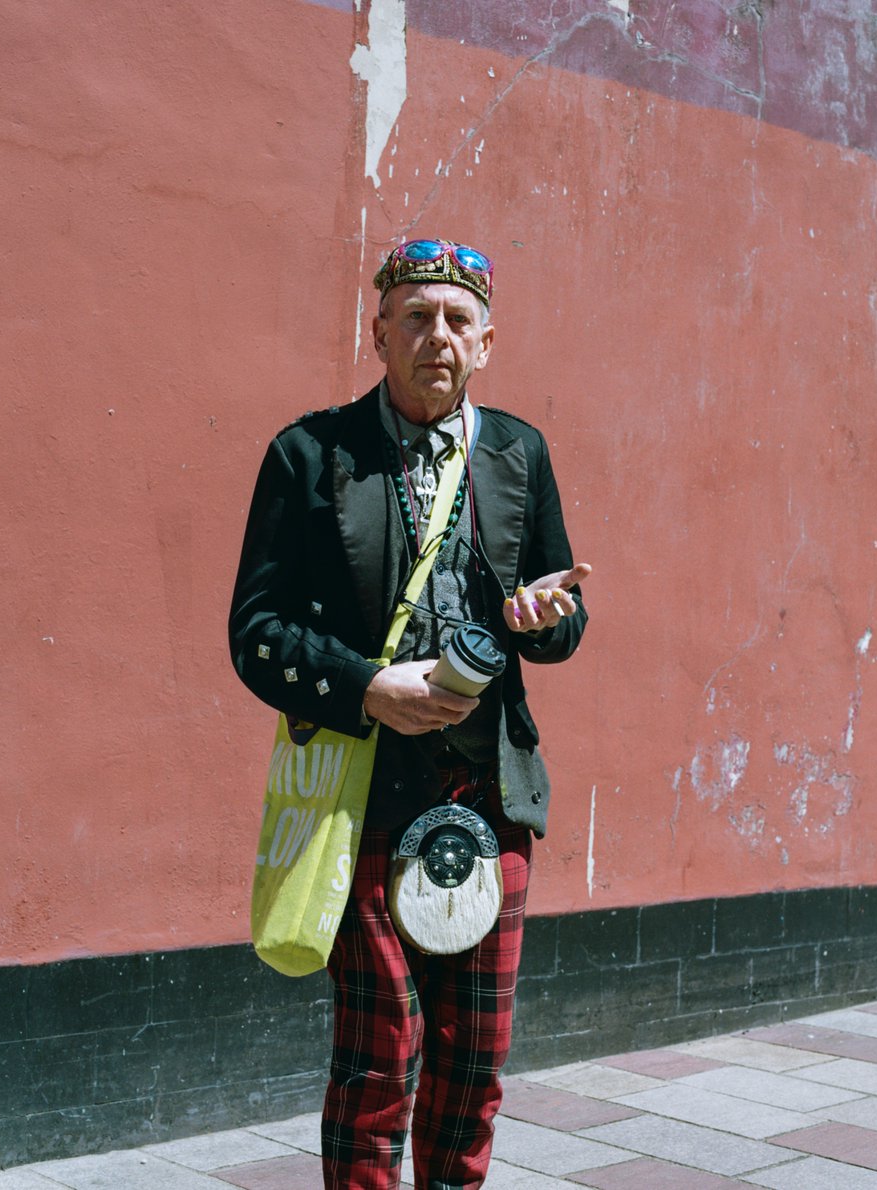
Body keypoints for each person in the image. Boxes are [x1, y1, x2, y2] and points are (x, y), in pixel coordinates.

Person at [229, 237, 592, 1189]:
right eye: (417, 317)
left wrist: (543, 620)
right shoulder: (310, 455)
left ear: (486, 343)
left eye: (457, 320)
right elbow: (255, 632)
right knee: (379, 1059)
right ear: (378, 333)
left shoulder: (519, 451)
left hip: (491, 799)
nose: (438, 335)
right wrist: (365, 689)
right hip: (366, 798)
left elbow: (562, 618)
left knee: (474, 1067)